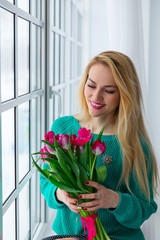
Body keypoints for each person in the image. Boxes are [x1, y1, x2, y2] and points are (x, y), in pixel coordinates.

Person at [40, 51, 159, 239]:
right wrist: (60, 194)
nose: (96, 96)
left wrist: (114, 200)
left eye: (109, 90)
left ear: (124, 95)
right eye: (91, 85)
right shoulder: (61, 127)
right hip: (69, 235)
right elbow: (46, 181)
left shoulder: (133, 145)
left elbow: (144, 209)